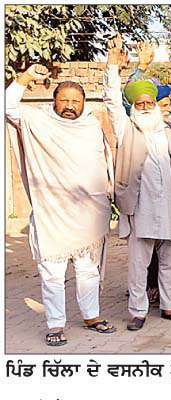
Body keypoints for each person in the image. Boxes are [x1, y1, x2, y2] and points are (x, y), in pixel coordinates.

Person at [6, 64, 118, 346]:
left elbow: (103, 165)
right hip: (52, 214)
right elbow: (7, 107)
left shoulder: (91, 126)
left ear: (83, 104)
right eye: (64, 100)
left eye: (75, 101)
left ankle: (92, 316)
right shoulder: (38, 121)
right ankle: (55, 324)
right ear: (53, 101)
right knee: (53, 274)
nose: (69, 106)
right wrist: (24, 78)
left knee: (88, 271)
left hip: (88, 215)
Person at [103, 38, 171, 330]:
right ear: (133, 107)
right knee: (138, 264)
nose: (143, 107)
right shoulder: (126, 129)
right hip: (140, 208)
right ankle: (138, 311)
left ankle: (170, 307)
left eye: (148, 103)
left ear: (155, 106)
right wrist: (112, 67)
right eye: (139, 103)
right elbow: (112, 101)